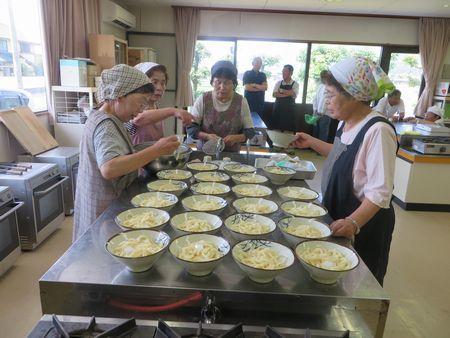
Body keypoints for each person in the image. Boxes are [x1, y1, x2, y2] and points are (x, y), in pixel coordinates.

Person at [291, 57, 397, 285]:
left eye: (330, 95)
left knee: (358, 282)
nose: (325, 101)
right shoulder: (345, 122)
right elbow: (342, 154)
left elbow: (380, 192)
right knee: (332, 273)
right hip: (340, 212)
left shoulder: (378, 130)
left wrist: (353, 222)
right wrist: (311, 141)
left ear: (355, 95)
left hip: (366, 222)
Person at [73, 65, 180, 241]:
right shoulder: (105, 125)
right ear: (121, 95)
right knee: (102, 253)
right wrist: (156, 150)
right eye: (141, 101)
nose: (142, 109)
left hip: (96, 202)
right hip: (104, 208)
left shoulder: (103, 117)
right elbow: (109, 168)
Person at [186, 60, 255, 152]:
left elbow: (250, 131)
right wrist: (207, 136)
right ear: (212, 82)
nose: (222, 87)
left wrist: (237, 138)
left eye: (227, 83)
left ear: (234, 84)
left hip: (232, 156)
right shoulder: (203, 99)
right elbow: (191, 128)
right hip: (204, 155)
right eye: (218, 82)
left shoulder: (241, 102)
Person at [124, 62, 193, 144]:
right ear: (141, 84)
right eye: (154, 82)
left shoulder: (155, 106)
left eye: (163, 83)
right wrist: (173, 111)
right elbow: (139, 119)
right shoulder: (134, 106)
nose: (159, 88)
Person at [313, 70, 339, 143]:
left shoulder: (332, 87)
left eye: (324, 77)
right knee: (316, 130)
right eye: (322, 77)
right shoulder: (320, 86)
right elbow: (315, 99)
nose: (323, 79)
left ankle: (320, 149)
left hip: (326, 114)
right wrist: (315, 109)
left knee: (323, 131)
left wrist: (322, 112)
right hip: (317, 112)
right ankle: (314, 146)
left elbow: (327, 101)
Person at [272, 64, 299, 131]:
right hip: (277, 110)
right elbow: (274, 94)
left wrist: (281, 90)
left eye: (285, 71)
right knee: (276, 130)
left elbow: (293, 94)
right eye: (282, 71)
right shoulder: (278, 83)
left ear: (291, 73)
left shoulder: (295, 84)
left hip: (289, 112)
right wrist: (287, 94)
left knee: (288, 132)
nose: (283, 73)